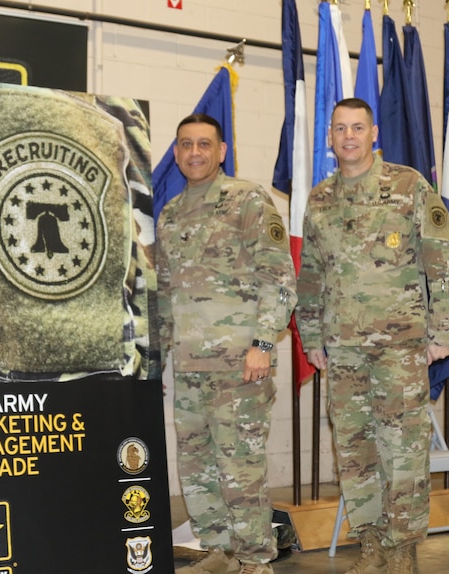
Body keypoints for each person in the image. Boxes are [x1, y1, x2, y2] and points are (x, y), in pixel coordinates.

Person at [295, 98, 449, 574]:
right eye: (339, 129)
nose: (348, 136)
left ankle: (402, 548)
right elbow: (310, 274)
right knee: (354, 451)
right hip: (343, 350)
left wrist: (445, 333)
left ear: (374, 134)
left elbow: (447, 260)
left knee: (403, 450)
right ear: (329, 139)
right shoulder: (320, 199)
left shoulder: (408, 186)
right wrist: (311, 337)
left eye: (357, 128)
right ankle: (370, 543)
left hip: (401, 348)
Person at [156, 113, 297, 574]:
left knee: (241, 472)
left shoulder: (247, 199)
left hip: (240, 365)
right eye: (185, 145)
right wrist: (157, 358)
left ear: (221, 151)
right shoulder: (172, 214)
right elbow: (164, 293)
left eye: (204, 144)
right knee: (197, 470)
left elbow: (278, 277)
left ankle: (256, 561)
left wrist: (262, 341)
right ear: (176, 154)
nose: (194, 152)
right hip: (190, 367)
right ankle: (220, 551)